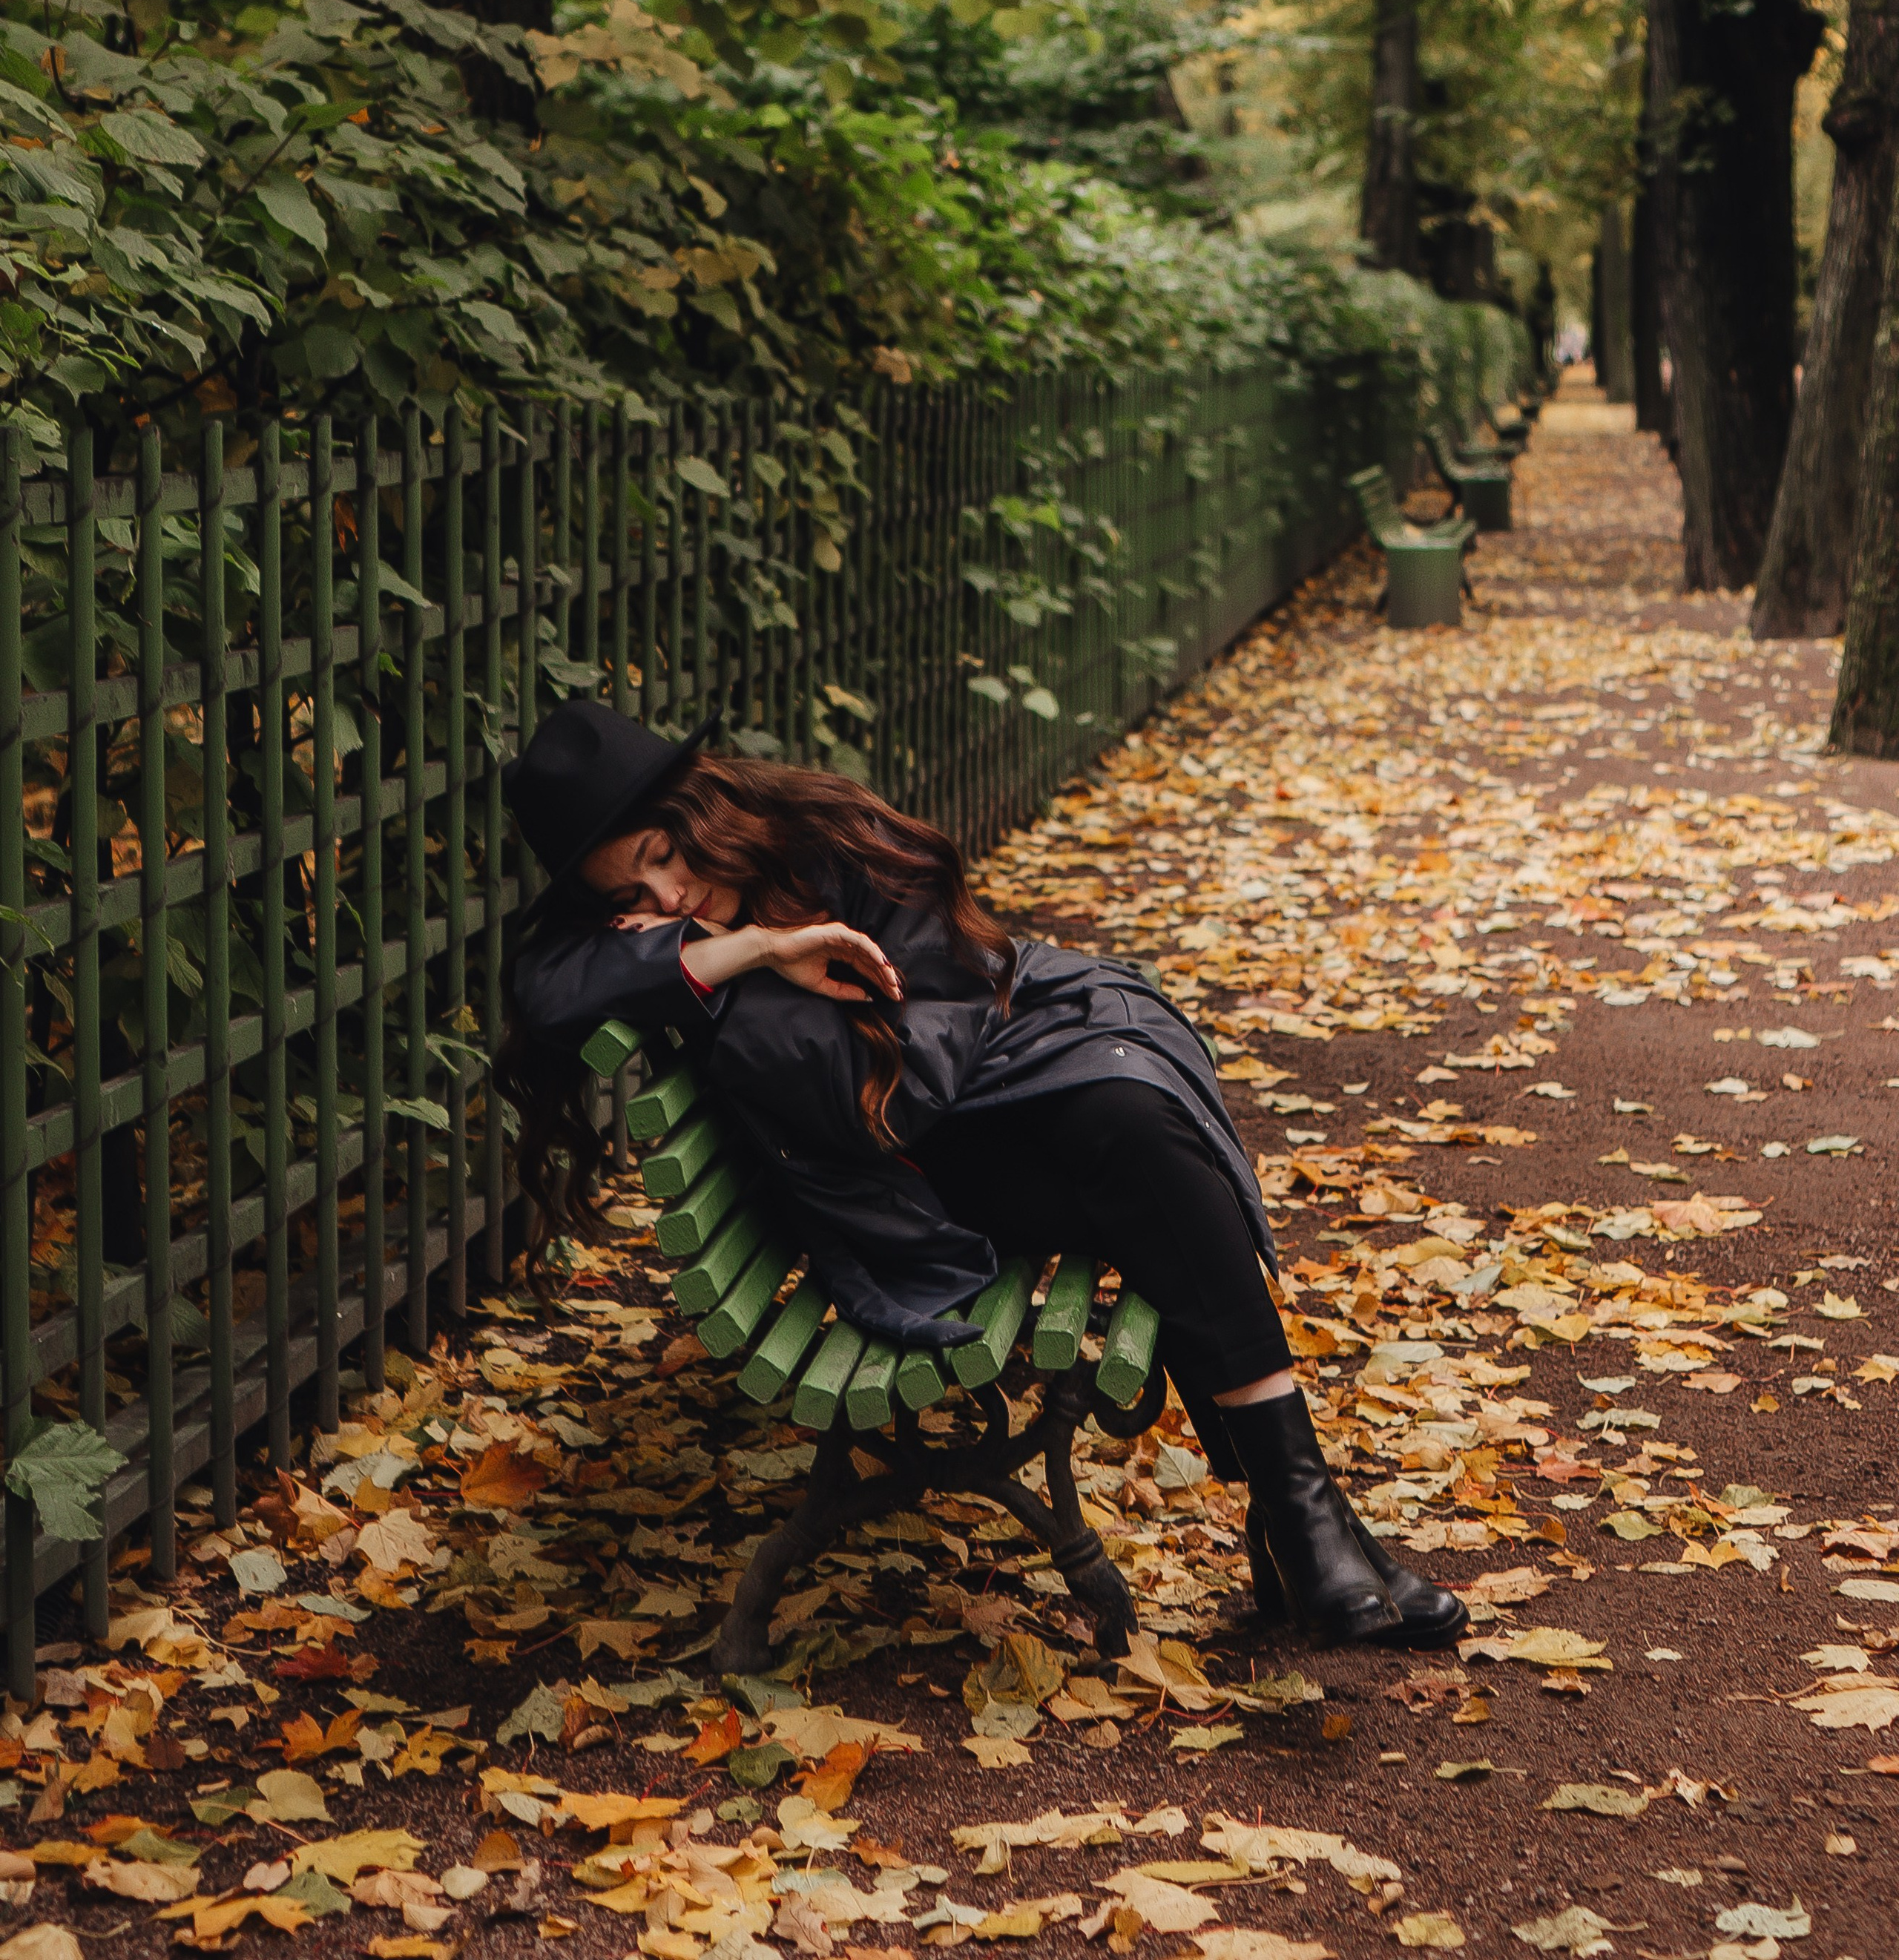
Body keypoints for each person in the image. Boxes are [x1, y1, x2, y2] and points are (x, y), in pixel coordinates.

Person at [496, 698, 1465, 1649]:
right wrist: (752, 952)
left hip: (992, 1092)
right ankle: (1307, 1520)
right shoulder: (706, 949)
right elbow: (544, 994)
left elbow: (927, 1058)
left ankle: (1299, 1514)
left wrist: (741, 965)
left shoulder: (832, 840)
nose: (667, 899)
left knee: (1138, 1131)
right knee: (1151, 1173)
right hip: (922, 1185)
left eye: (664, 856)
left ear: (701, 808)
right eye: (630, 897)